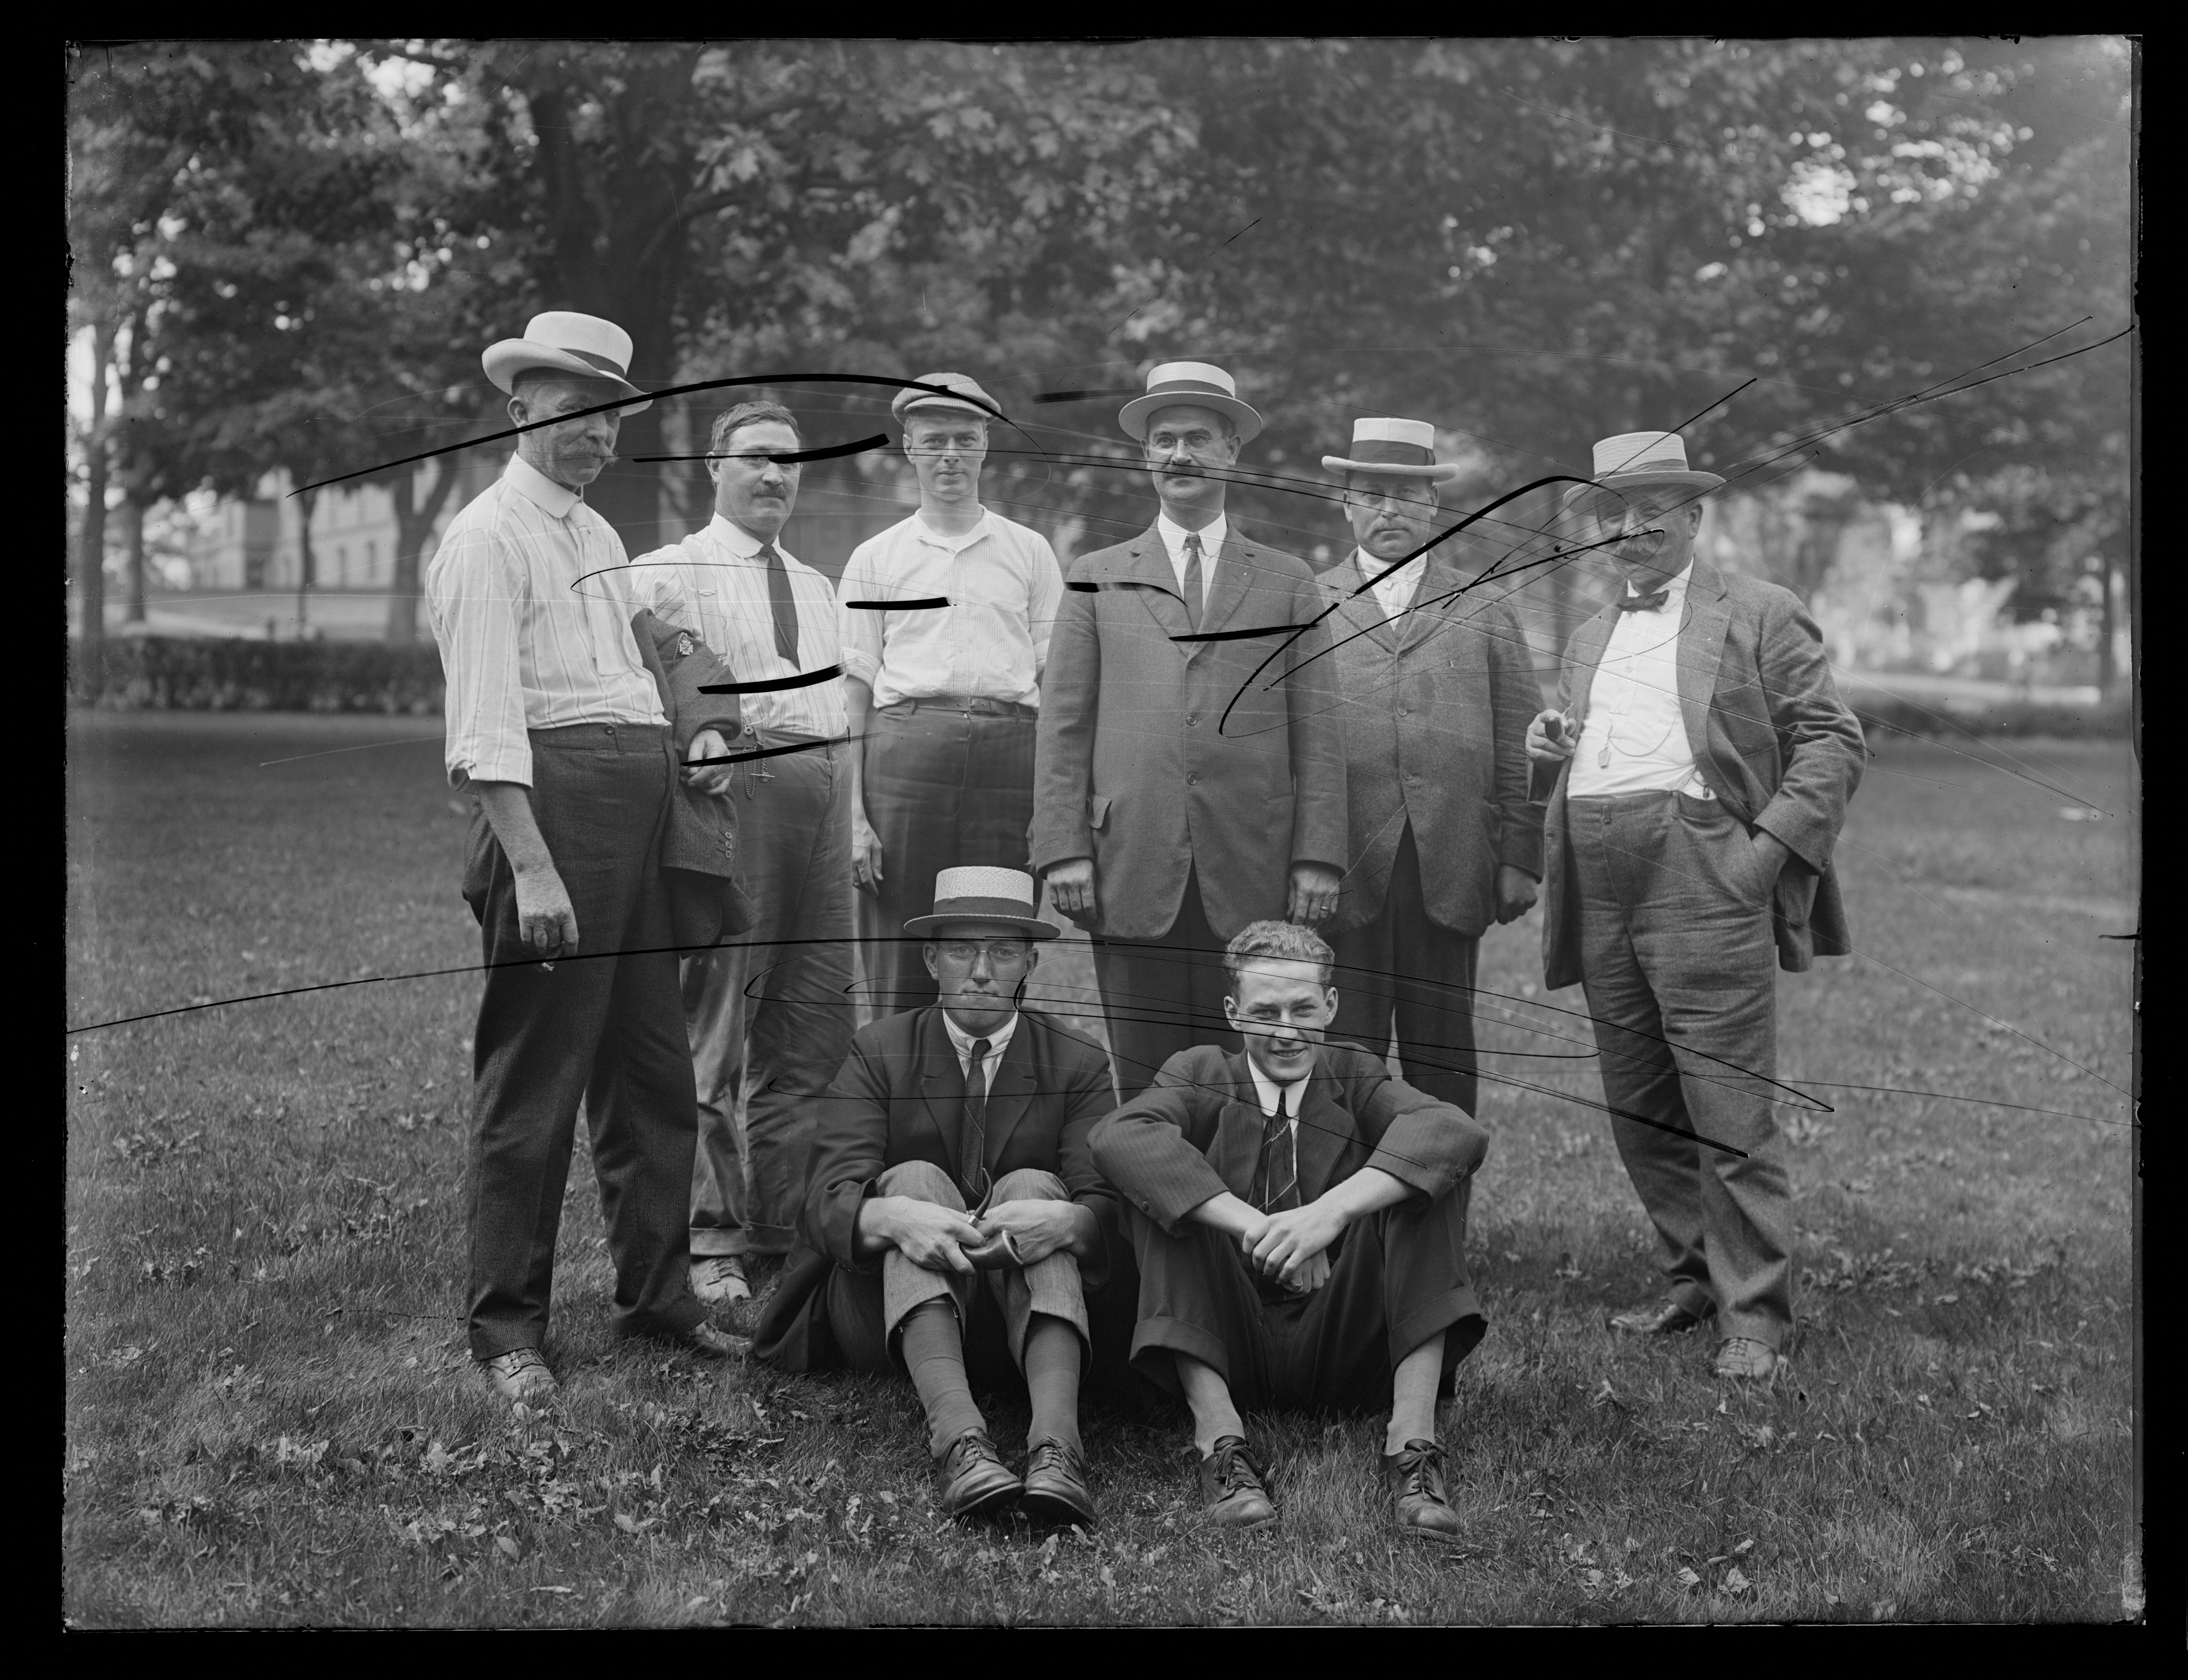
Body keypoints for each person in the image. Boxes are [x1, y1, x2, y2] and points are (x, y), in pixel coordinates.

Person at [428, 311, 744, 1404]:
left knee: (652, 1073)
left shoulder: (600, 537)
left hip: (638, 816)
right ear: (521, 411)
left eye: (610, 419)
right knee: (537, 1079)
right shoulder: (484, 539)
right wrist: (534, 865)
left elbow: (647, 659)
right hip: (550, 816)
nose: (596, 436)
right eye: (573, 416)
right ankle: (506, 1329)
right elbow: (481, 730)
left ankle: (657, 1298)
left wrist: (696, 730)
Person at [1526, 430, 1865, 1383]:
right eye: (1612, 512)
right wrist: (1554, 746)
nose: (1628, 528)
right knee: (1638, 1103)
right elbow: (1606, 741)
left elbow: (1832, 739)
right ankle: (1691, 1277)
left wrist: (1759, 860)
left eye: (1649, 509)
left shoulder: (1760, 612)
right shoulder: (1591, 633)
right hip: (1596, 875)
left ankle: (1754, 1312)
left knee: (1724, 1103)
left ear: (1690, 516)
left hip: (1702, 865)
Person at [1090, 920, 1489, 1539]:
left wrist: (1326, 1216)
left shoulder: (1354, 1074)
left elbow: (1454, 1131)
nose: (1285, 1031)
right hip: (1225, 1336)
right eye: (1265, 1011)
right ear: (1233, 1013)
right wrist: (1260, 1227)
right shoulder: (1201, 1071)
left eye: (1303, 1009)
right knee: (1163, 1194)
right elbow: (1120, 1137)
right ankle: (1221, 1445)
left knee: (1427, 1180)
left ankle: (1413, 1448)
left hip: (1343, 1335)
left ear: (1330, 1005)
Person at [753, 868, 1119, 1525]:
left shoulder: (1078, 1059)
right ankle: (961, 1445)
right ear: (930, 959)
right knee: (914, 1180)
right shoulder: (880, 1050)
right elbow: (825, 1200)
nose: (981, 971)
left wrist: (1066, 1221)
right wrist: (890, 1213)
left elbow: (1107, 1210)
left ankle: (1058, 1450)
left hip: (1027, 1315)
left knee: (1042, 1191)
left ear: (1029, 963)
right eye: (961, 951)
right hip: (894, 1315)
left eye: (1003, 953)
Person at [1032, 361, 1347, 1099]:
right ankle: (1152, 1211)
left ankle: (1245, 1211)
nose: (1180, 454)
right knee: (1143, 1079)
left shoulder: (1289, 580)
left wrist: (1319, 857)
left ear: (1233, 450)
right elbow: (1063, 727)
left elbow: (1320, 734)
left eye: (1198, 438)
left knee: (1247, 1078)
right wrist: (1062, 850)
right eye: (1164, 439)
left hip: (1252, 861)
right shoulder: (1097, 574)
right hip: (1128, 862)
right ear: (1147, 456)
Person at [631, 402, 855, 1312]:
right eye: (756, 460)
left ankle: (785, 1222)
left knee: (813, 1022)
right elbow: (641, 662)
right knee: (717, 1023)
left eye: (789, 464)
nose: (774, 478)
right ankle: (709, 1236)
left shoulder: (816, 582)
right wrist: (702, 729)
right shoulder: (666, 570)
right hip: (736, 789)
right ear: (715, 466)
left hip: (824, 788)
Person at [1315, 417, 1544, 1115]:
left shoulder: (1485, 607)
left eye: (1408, 496)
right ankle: (1345, 1221)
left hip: (1449, 862)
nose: (1390, 509)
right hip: (1343, 866)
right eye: (1373, 494)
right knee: (1344, 1057)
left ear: (1434, 506)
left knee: (1441, 1057)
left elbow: (1521, 744)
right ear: (1346, 502)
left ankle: (1434, 1216)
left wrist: (1520, 858)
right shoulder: (1307, 604)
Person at [839, 373, 1064, 1014]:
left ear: (986, 446)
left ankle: (990, 1088)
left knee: (997, 927)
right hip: (906, 761)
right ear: (908, 448)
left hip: (1010, 758)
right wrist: (856, 819)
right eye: (933, 440)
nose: (949, 456)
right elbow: (854, 693)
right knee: (902, 940)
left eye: (965, 439)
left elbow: (1056, 686)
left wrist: (1051, 807)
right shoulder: (876, 558)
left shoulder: (1029, 551)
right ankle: (899, 1089)